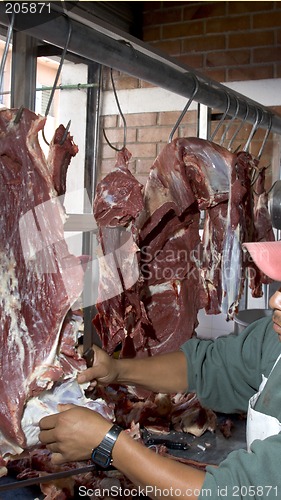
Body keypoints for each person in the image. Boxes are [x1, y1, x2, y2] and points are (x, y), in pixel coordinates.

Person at [39, 240, 281, 500]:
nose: (275, 298)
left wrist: (108, 443)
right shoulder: (272, 339)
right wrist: (116, 370)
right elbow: (206, 366)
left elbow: (230, 494)